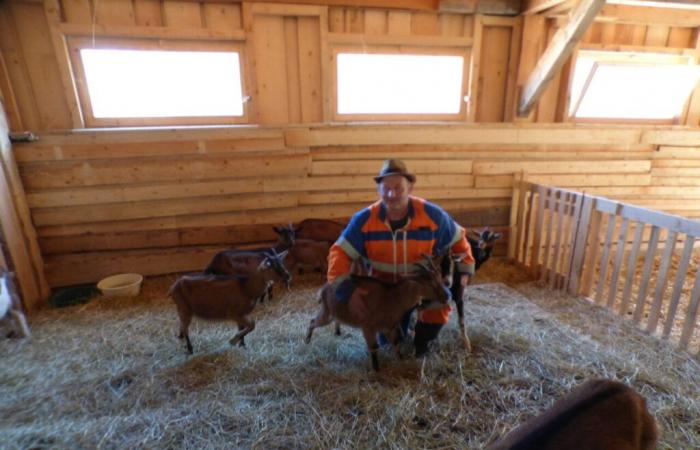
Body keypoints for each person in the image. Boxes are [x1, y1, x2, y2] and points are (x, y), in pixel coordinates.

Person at [327, 159, 475, 356]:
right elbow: (339, 252)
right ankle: (395, 333)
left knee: (439, 307)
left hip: (422, 284)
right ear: (378, 189)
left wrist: (464, 273)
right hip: (384, 288)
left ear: (410, 187)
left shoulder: (433, 215)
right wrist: (347, 291)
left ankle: (423, 343)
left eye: (398, 188)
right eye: (386, 188)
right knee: (388, 342)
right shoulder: (363, 220)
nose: (391, 194)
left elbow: (459, 241)